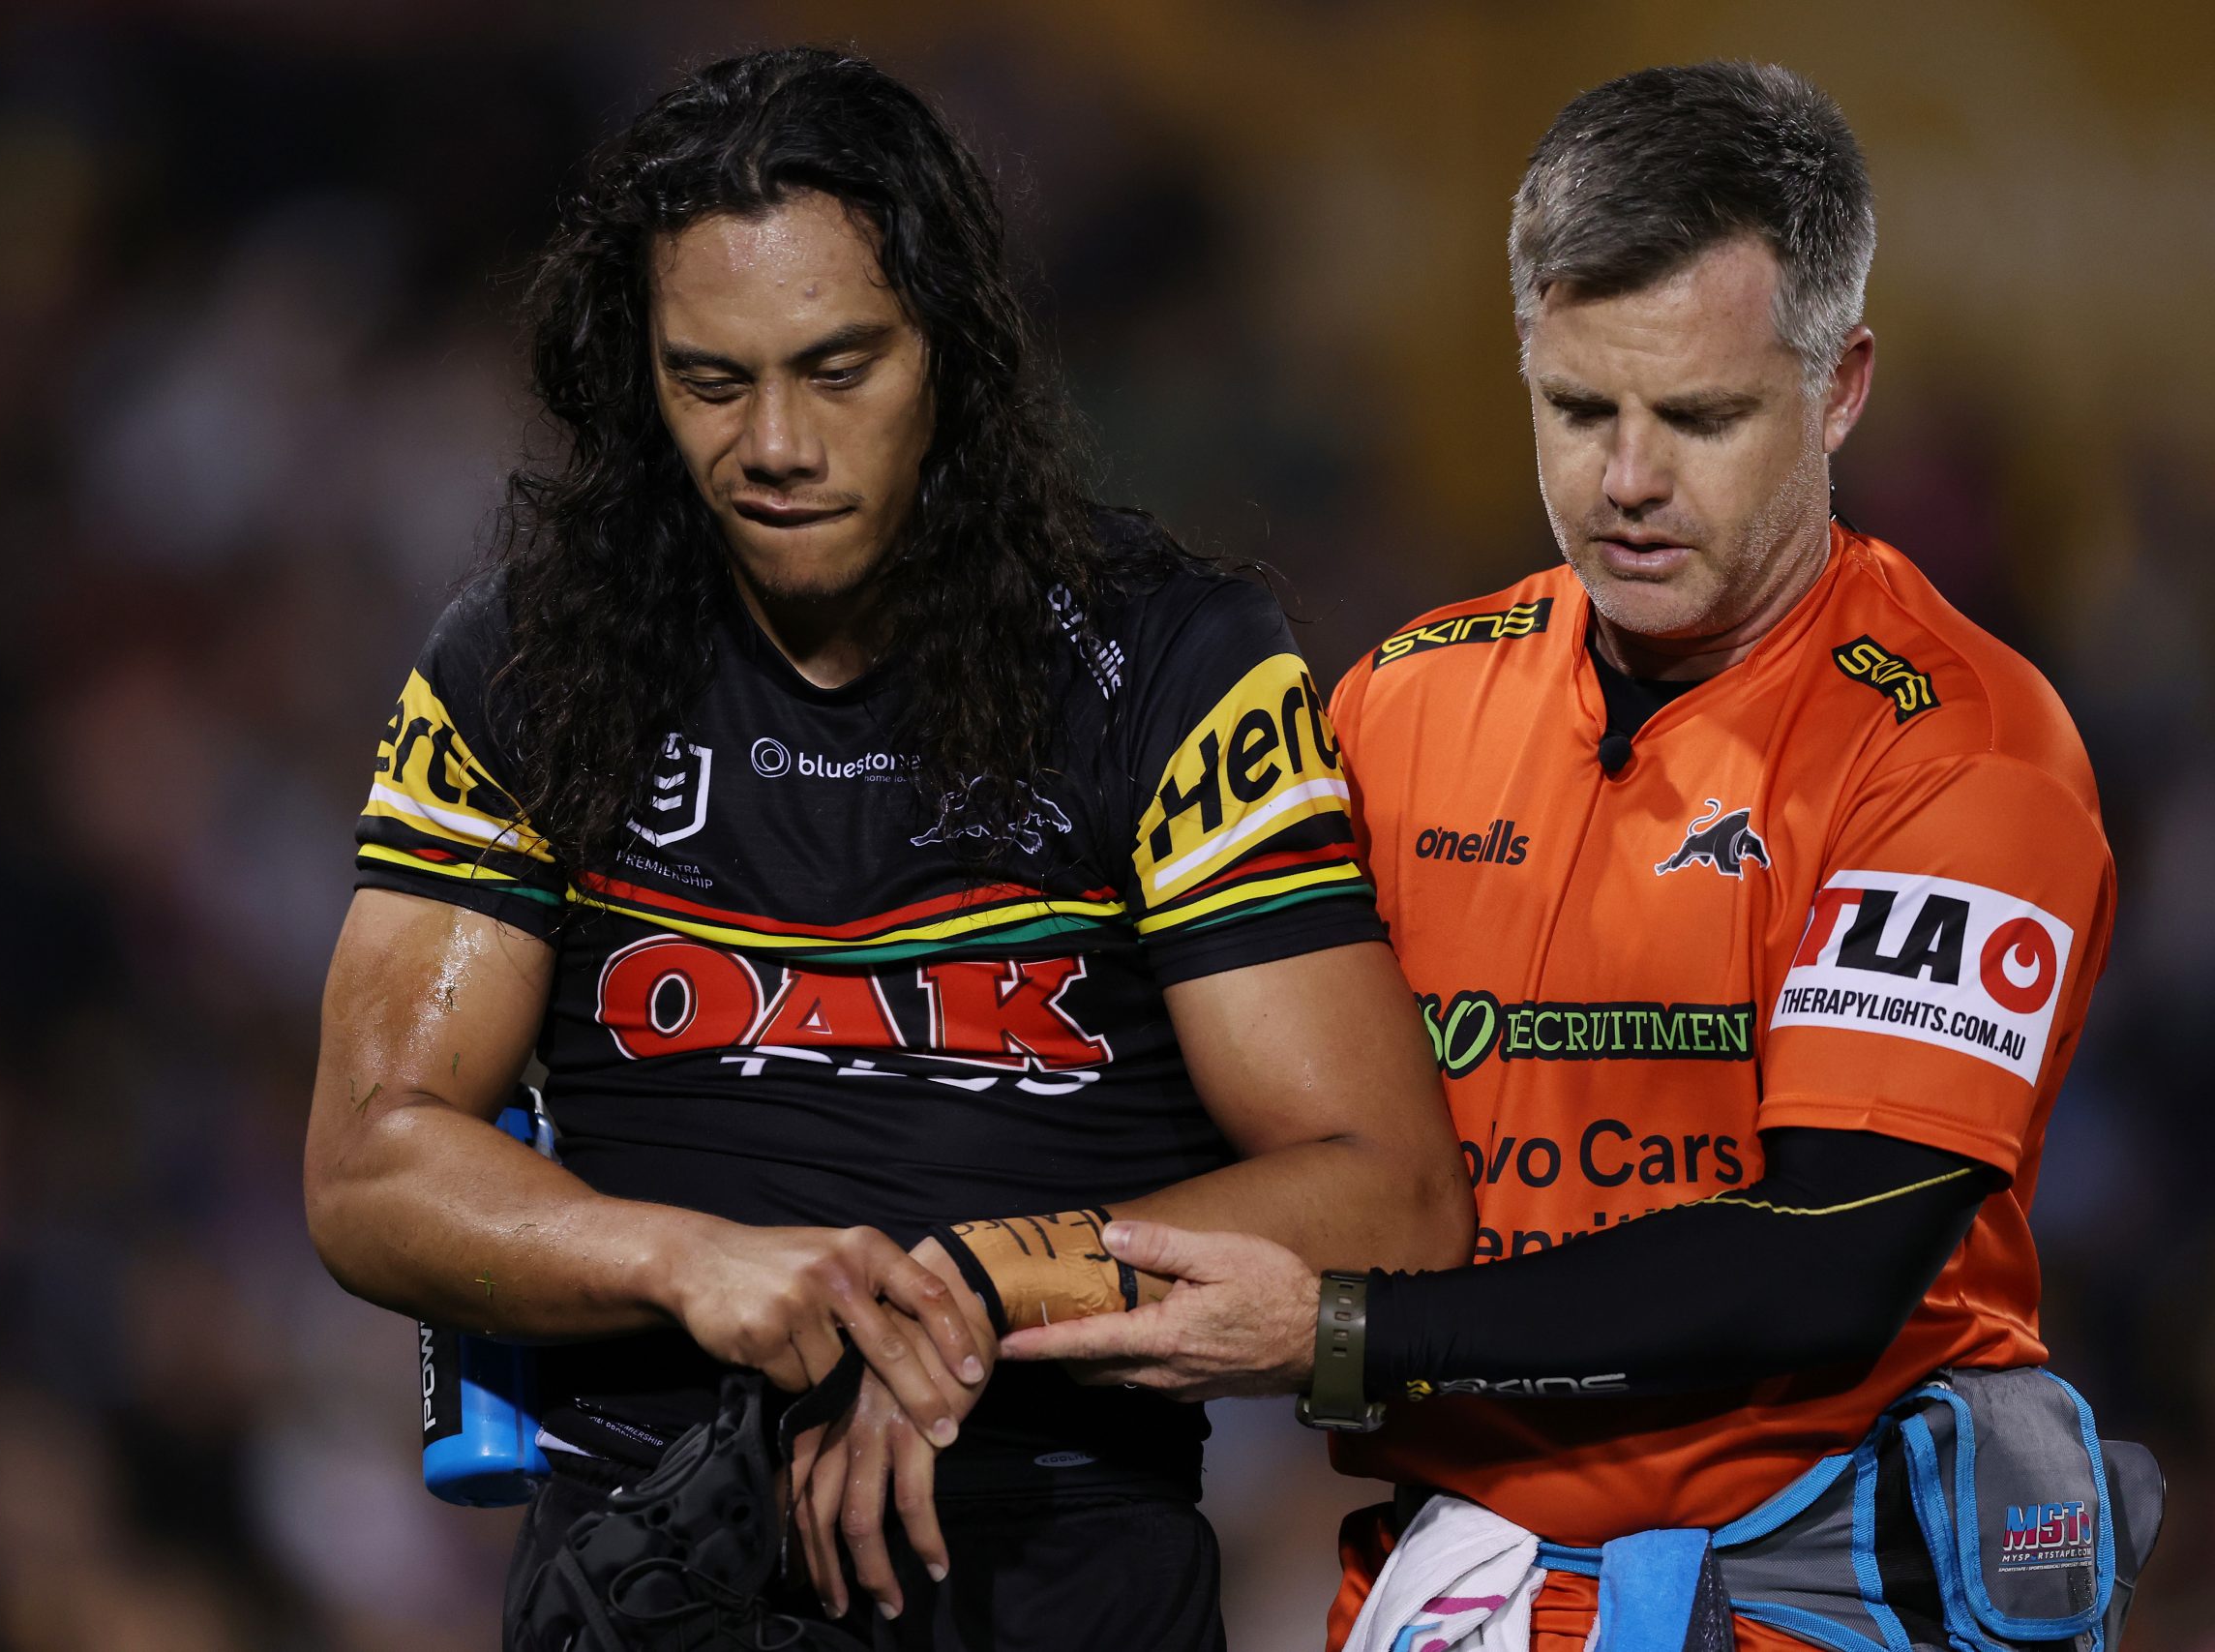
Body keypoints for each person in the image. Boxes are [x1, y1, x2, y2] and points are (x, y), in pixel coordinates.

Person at [300, 45, 1473, 1652]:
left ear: (953, 358)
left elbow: (1389, 1194)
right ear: (638, 374)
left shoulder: (1175, 668)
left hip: (1059, 1565)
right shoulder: (527, 664)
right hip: (658, 1566)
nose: (775, 442)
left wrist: (976, 1294)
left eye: (839, 368)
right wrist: (689, 1263)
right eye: (711, 380)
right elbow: (370, 1160)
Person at [1002, 62, 2134, 1651]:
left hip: (1818, 1611)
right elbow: (1165, 1099)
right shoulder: (1398, 702)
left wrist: (1347, 1333)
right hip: (1448, 1588)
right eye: (1578, 405)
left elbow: (1827, 1259)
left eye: (1701, 415)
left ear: (1843, 386)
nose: (1627, 480)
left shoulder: (1962, 747)